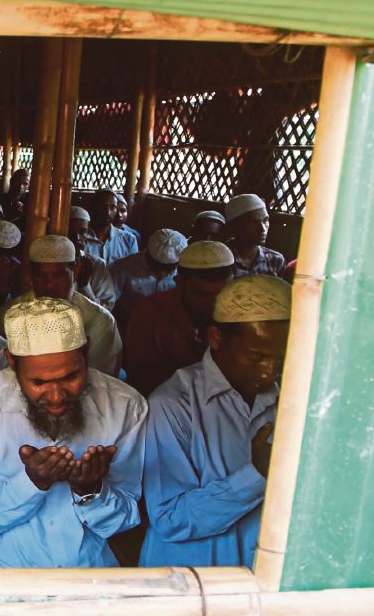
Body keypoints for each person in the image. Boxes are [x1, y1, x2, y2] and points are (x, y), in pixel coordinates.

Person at [0, 297, 146, 567]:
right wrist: (33, 482)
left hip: (87, 573)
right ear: (11, 362)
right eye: (39, 382)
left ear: (87, 352)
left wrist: (90, 490)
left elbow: (124, 521)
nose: (56, 395)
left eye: (70, 377)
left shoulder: (125, 406)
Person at [140, 275, 291, 568]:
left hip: (261, 573)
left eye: (281, 359)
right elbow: (170, 518)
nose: (268, 372)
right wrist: (256, 475)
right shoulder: (173, 404)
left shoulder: (292, 397)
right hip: (195, 576)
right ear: (215, 338)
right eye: (256, 357)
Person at [0, 235, 123, 376]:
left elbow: (101, 381)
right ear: (30, 274)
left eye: (59, 275)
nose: (49, 285)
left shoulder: (100, 322)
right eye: (41, 276)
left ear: (76, 271)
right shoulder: (8, 316)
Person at [124, 241, 236, 396]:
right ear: (179, 283)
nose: (214, 303)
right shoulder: (150, 313)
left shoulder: (239, 312)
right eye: (202, 294)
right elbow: (142, 380)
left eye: (222, 294)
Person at [109, 229, 188, 335]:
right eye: (157, 267)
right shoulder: (123, 268)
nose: (162, 274)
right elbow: (109, 304)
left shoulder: (184, 273)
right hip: (129, 327)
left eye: (169, 269)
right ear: (147, 254)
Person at [224, 194, 286, 278]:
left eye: (265, 220)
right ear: (235, 226)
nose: (262, 229)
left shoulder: (275, 260)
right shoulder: (221, 258)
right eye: (253, 223)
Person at [68, 206, 117, 311]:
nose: (76, 237)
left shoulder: (98, 265)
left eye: (82, 232)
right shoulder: (50, 264)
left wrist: (84, 285)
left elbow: (106, 310)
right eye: (70, 232)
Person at [85, 189, 139, 266]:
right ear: (93, 207)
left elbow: (133, 272)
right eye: (102, 206)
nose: (107, 211)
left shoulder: (129, 240)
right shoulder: (81, 238)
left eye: (112, 207)